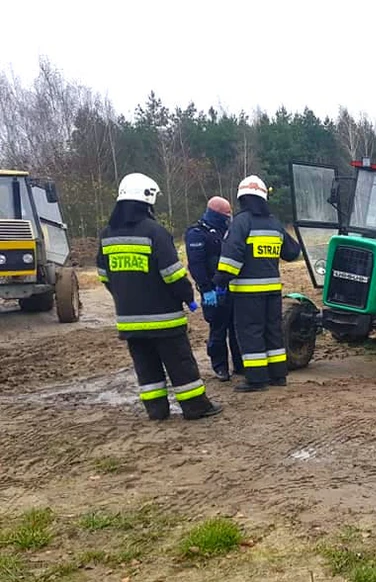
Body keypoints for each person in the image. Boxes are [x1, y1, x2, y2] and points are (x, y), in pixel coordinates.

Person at [96, 172, 223, 420]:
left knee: (146, 367)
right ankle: (196, 407)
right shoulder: (154, 232)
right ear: (147, 199)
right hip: (164, 318)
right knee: (180, 364)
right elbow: (172, 274)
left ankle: (156, 411)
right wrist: (188, 296)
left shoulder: (107, 235)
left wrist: (124, 297)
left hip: (129, 319)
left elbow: (104, 276)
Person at [212, 174, 301, 392]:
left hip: (247, 292)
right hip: (272, 291)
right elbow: (293, 252)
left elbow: (232, 257)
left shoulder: (241, 222)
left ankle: (257, 379)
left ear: (241, 198)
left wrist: (220, 280)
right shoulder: (274, 223)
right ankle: (278, 375)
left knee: (250, 333)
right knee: (273, 331)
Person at [184, 196, 243, 381]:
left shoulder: (229, 230)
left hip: (232, 287)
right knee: (218, 330)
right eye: (226, 213)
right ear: (216, 213)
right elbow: (196, 264)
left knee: (236, 328)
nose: (229, 216)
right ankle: (220, 367)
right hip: (212, 289)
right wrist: (206, 288)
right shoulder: (197, 233)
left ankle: (240, 365)